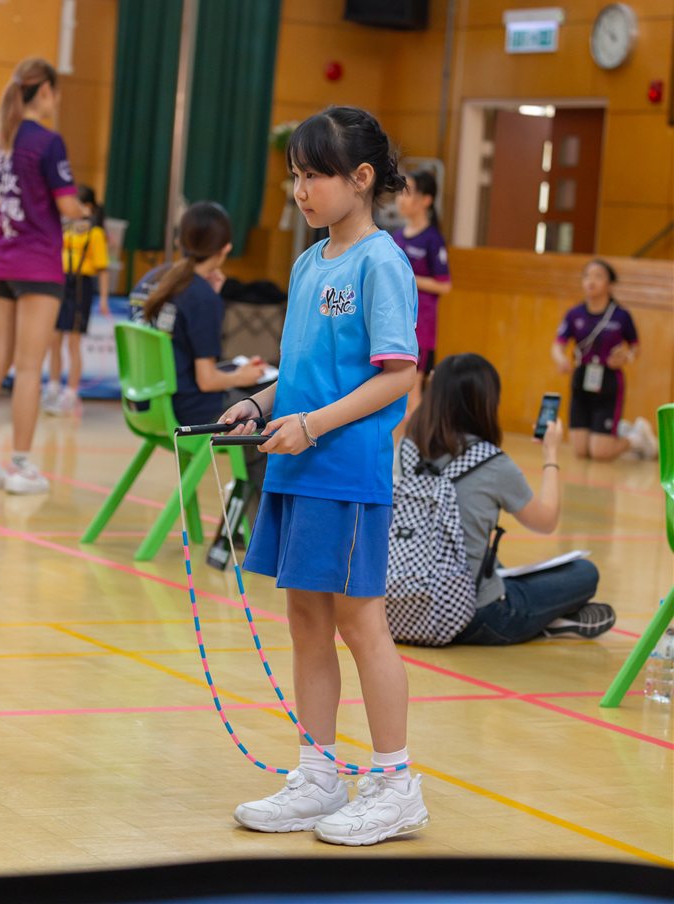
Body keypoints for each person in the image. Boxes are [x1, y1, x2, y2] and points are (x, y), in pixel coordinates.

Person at [222, 106, 429, 847]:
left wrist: (312, 426)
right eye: (295, 175)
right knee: (306, 621)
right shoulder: (310, 263)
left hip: (344, 469)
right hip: (295, 467)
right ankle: (318, 776)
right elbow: (302, 372)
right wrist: (259, 403)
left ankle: (396, 784)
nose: (301, 190)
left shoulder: (382, 264)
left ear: (361, 178)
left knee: (359, 623)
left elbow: (398, 375)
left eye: (315, 175)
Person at [403, 353, 616, 646]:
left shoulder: (407, 449)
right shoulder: (491, 462)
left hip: (402, 604)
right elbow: (545, 521)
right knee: (584, 573)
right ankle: (547, 621)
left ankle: (546, 618)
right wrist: (551, 453)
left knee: (488, 558)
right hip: (468, 616)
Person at [0, 57, 82, 495]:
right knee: (29, 368)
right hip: (37, 267)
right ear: (45, 91)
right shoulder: (48, 142)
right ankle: (20, 467)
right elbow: (67, 205)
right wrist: (83, 212)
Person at [129, 201, 268, 426]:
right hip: (183, 411)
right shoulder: (201, 297)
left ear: (179, 241)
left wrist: (211, 296)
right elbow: (207, 381)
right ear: (226, 248)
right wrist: (242, 377)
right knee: (268, 403)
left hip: (142, 404)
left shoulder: (149, 279)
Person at [551, 258, 657, 461]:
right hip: (581, 378)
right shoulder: (574, 314)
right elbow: (558, 345)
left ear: (609, 284)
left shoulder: (621, 316)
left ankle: (637, 439)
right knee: (581, 451)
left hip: (608, 381)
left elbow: (635, 348)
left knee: (600, 453)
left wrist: (626, 357)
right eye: (587, 276)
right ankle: (619, 430)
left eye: (598, 276)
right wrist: (561, 359)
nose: (591, 281)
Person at [43, 185, 110, 415]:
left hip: (81, 285)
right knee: (54, 339)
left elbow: (103, 269)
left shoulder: (95, 233)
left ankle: (70, 393)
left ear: (88, 207)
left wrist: (103, 299)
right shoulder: (65, 229)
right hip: (60, 282)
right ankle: (52, 387)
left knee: (73, 342)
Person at [392, 169, 451, 432]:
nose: (400, 198)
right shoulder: (395, 236)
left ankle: (415, 447)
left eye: (408, 192)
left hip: (420, 328)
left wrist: (409, 277)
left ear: (426, 200)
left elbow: (444, 284)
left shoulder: (432, 239)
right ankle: (397, 449)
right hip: (394, 321)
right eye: (400, 192)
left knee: (413, 388)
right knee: (391, 387)